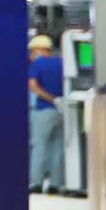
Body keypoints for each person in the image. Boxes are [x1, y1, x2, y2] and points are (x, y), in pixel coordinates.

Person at [28, 34, 65, 194]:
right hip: (63, 111)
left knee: (39, 147)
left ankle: (36, 183)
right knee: (58, 148)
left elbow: (33, 85)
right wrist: (59, 101)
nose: (31, 55)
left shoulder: (37, 64)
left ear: (39, 50)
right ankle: (55, 185)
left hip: (44, 110)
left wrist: (51, 99)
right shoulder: (62, 62)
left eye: (32, 51)